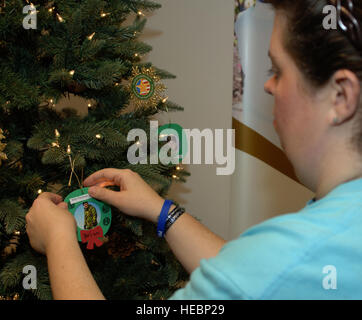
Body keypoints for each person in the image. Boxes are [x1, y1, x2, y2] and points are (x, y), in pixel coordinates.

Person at [26, 0, 362, 299]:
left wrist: (58, 242)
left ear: (341, 96)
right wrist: (161, 211)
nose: (267, 85)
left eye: (277, 69)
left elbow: (262, 275)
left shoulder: (301, 252)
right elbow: (251, 278)